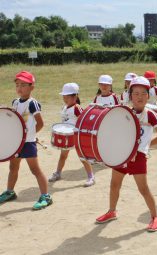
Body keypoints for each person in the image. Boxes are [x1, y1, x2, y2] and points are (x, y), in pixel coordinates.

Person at [95, 76, 157, 232]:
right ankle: (111, 211)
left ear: (149, 95)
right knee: (114, 184)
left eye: (143, 93)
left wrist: (146, 146)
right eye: (135, 93)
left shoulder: (151, 115)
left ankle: (155, 217)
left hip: (139, 157)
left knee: (143, 189)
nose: (139, 96)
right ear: (130, 95)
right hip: (123, 154)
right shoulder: (125, 112)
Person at [0, 71, 52, 210]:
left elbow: (40, 123)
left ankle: (46, 196)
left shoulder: (32, 103)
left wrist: (31, 136)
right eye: (17, 85)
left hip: (28, 143)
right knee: (13, 168)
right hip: (16, 143)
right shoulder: (15, 102)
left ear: (31, 87)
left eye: (23, 85)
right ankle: (10, 192)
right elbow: (14, 121)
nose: (19, 88)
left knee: (35, 170)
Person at [48, 83, 95, 187]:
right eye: (64, 97)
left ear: (75, 96)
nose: (65, 99)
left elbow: (84, 120)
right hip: (67, 137)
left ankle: (91, 177)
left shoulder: (76, 108)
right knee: (63, 156)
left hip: (76, 136)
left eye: (68, 97)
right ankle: (58, 173)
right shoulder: (64, 107)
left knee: (82, 157)